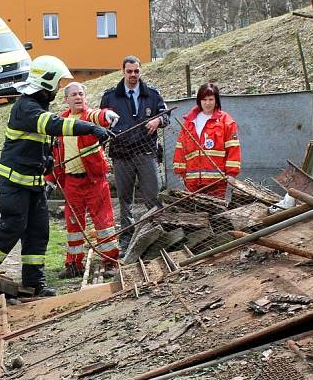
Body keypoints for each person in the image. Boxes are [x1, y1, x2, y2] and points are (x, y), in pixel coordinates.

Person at [0, 55, 112, 296]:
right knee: (13, 227)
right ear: (47, 83)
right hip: (14, 183)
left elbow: (41, 142)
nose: (58, 89)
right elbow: (55, 126)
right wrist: (91, 128)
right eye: (57, 84)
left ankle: (34, 283)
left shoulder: (37, 106)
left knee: (38, 232)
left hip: (32, 184)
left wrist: (47, 161)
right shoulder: (26, 107)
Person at [45, 82, 120, 278]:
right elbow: (55, 155)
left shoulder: (90, 117)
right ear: (66, 99)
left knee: (104, 223)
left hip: (94, 181)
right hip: (72, 182)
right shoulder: (60, 122)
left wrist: (108, 115)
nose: (78, 97)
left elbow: (101, 115)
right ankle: (73, 265)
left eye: (81, 94)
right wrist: (50, 179)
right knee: (73, 226)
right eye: (74, 95)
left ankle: (111, 262)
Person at [99, 55, 169, 252]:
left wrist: (158, 121)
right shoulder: (110, 96)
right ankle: (127, 239)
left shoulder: (152, 94)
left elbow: (166, 115)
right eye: (129, 71)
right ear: (123, 71)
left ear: (140, 71)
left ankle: (157, 236)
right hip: (121, 155)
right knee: (125, 199)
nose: (133, 75)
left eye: (136, 71)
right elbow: (101, 121)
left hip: (147, 153)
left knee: (152, 196)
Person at [173, 83, 241, 198]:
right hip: (192, 181)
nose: (208, 103)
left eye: (211, 99)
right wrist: (181, 172)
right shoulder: (190, 122)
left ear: (216, 100)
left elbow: (233, 148)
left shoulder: (226, 121)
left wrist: (231, 173)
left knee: (216, 213)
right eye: (204, 99)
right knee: (195, 214)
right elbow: (181, 149)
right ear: (199, 100)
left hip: (216, 182)